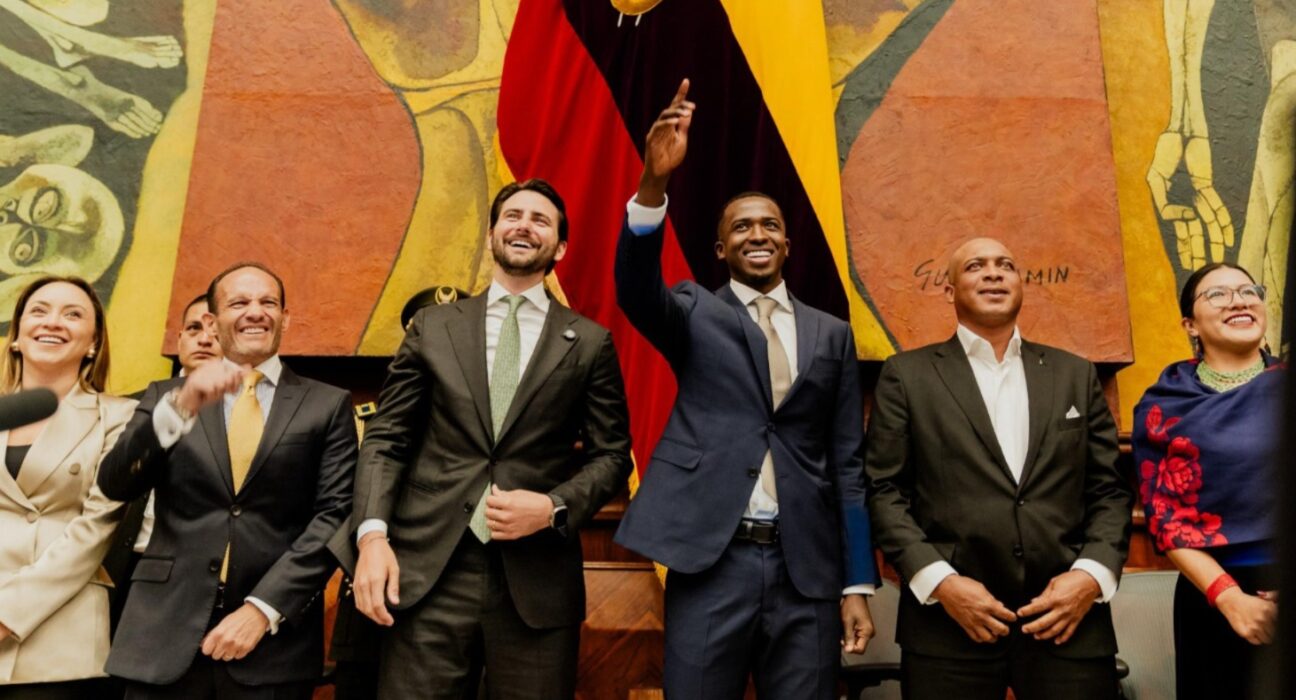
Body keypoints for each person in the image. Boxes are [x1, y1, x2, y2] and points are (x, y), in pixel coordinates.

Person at [612, 79, 878, 700]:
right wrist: (653, 185)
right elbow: (634, 288)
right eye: (741, 227)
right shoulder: (691, 310)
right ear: (720, 247)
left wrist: (857, 582)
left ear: (787, 243)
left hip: (806, 570)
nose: (756, 235)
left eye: (769, 226)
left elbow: (847, 462)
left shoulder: (832, 334)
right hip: (713, 562)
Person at [339, 178, 632, 700]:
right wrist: (372, 538)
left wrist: (553, 507)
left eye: (541, 220)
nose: (524, 225)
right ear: (492, 235)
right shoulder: (433, 327)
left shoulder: (589, 342)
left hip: (536, 583)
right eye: (512, 215)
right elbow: (386, 439)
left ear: (560, 248)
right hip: (427, 574)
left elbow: (611, 456)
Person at [864, 237, 1132, 700]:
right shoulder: (907, 376)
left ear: (1020, 284)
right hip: (947, 623)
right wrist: (942, 583)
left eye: (1005, 265)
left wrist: (1089, 577)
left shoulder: (1075, 373)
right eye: (975, 266)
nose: (993, 272)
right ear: (950, 291)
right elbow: (884, 490)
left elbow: (1109, 490)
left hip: (1067, 619)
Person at [97, 263, 357, 699]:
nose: (255, 311)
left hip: (272, 647)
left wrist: (262, 610)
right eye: (239, 302)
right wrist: (179, 408)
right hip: (162, 635)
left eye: (268, 302)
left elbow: (334, 515)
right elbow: (116, 483)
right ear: (213, 322)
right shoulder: (165, 396)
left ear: (285, 319)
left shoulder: (327, 405)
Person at [1132, 262, 1283, 700]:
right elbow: (1165, 519)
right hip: (1211, 596)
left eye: (1249, 291)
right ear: (1190, 324)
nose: (1238, 301)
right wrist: (1230, 599)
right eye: (1218, 294)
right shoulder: (1162, 406)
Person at [0, 276, 135, 696]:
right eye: (39, 311)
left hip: (60, 637)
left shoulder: (121, 417)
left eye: (72, 314)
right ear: (16, 335)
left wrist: (7, 613)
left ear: (93, 343)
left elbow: (96, 529)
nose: (53, 322)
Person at [102, 295, 222, 634]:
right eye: (194, 328)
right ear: (179, 338)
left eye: (217, 332)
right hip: (121, 567)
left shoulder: (245, 414)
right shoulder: (129, 406)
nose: (204, 339)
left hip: (194, 578)